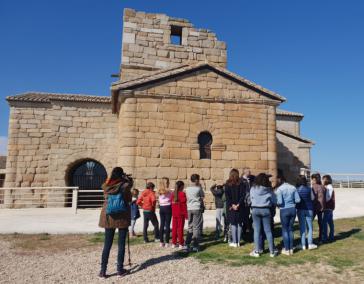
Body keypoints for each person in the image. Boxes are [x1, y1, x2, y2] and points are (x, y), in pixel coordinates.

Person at [98, 167, 133, 279]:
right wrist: (128, 182)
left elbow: (106, 196)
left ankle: (103, 271)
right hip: (122, 216)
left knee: (107, 244)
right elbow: (128, 199)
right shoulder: (124, 186)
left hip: (109, 216)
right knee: (121, 244)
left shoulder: (106, 186)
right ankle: (119, 269)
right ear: (122, 175)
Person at [249, 173, 276, 258]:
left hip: (255, 209)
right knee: (268, 231)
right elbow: (274, 201)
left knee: (257, 231)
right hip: (266, 209)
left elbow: (250, 198)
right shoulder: (269, 190)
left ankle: (257, 251)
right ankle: (272, 251)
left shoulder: (253, 188)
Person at [276, 174, 301, 255]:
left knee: (285, 229)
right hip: (293, 209)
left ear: (281, 180)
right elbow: (298, 200)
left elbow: (279, 202)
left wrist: (277, 204)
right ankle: (291, 248)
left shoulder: (279, 189)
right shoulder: (293, 187)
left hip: (284, 210)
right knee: (290, 229)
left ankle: (287, 249)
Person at [225, 169, 249, 248]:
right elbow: (243, 195)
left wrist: (232, 205)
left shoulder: (228, 184)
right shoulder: (241, 183)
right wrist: (238, 204)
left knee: (233, 224)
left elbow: (227, 197)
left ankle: (235, 242)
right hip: (240, 207)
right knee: (239, 224)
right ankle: (238, 241)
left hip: (232, 207)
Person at [296, 175, 317, 250]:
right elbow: (313, 198)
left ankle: (303, 245)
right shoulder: (309, 189)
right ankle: (310, 243)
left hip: (300, 209)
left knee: (302, 227)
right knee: (310, 227)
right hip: (309, 209)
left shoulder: (296, 189)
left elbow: (296, 200)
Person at [185, 174, 205, 252]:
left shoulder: (187, 189)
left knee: (190, 226)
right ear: (196, 180)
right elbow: (202, 196)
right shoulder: (198, 188)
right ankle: (195, 245)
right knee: (196, 227)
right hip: (196, 207)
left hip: (189, 208)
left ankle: (187, 244)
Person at [171, 180, 188, 248]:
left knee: (174, 228)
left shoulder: (173, 194)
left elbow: (171, 204)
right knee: (180, 228)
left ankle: (174, 243)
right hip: (180, 213)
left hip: (174, 213)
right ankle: (181, 243)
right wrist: (186, 215)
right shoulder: (182, 194)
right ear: (181, 186)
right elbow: (184, 206)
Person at [311, 173, 327, 242]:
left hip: (315, 207)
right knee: (320, 223)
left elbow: (313, 198)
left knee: (309, 222)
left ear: (315, 180)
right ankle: (321, 238)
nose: (311, 181)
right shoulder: (323, 187)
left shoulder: (314, 187)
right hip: (322, 207)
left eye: (312, 179)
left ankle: (309, 239)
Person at [158, 177, 172, 247]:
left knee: (162, 224)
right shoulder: (169, 191)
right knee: (167, 225)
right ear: (166, 183)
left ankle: (161, 241)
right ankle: (167, 242)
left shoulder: (159, 191)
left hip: (161, 207)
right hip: (168, 207)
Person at [322, 175, 335, 242]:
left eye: (323, 179)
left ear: (326, 180)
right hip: (330, 207)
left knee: (324, 222)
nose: (322, 181)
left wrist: (322, 199)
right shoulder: (329, 187)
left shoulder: (329, 188)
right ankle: (331, 236)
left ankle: (325, 238)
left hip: (328, 207)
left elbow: (328, 198)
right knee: (330, 222)